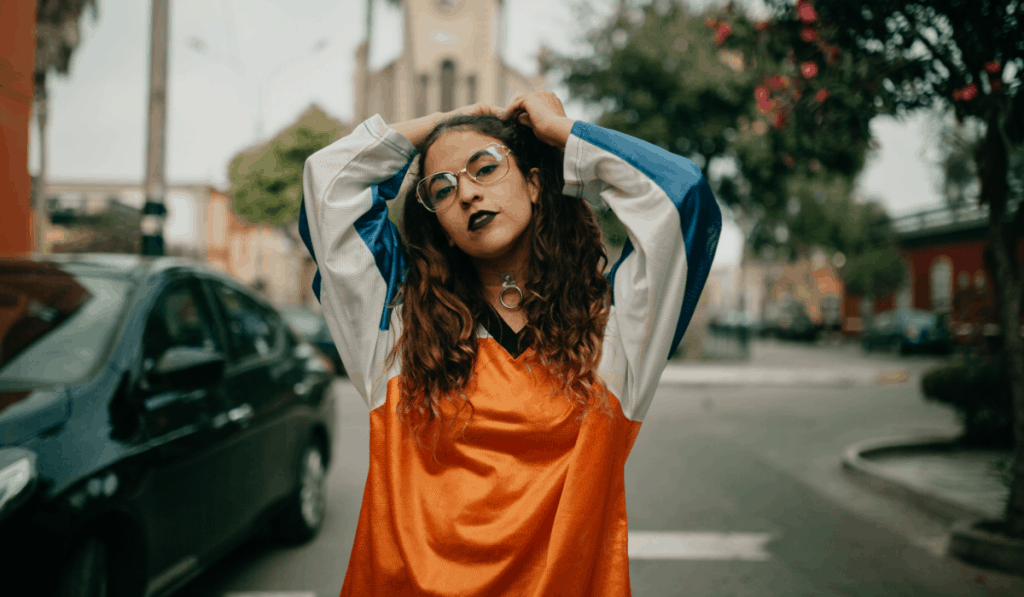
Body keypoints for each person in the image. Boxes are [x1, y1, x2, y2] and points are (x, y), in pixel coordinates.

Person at [299, 91, 721, 596]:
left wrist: (560, 134)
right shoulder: (394, 327)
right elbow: (328, 187)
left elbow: (682, 198)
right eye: (442, 188)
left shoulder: (615, 333)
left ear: (536, 183)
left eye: (484, 168)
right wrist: (446, 121)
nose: (467, 193)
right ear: (442, 226)